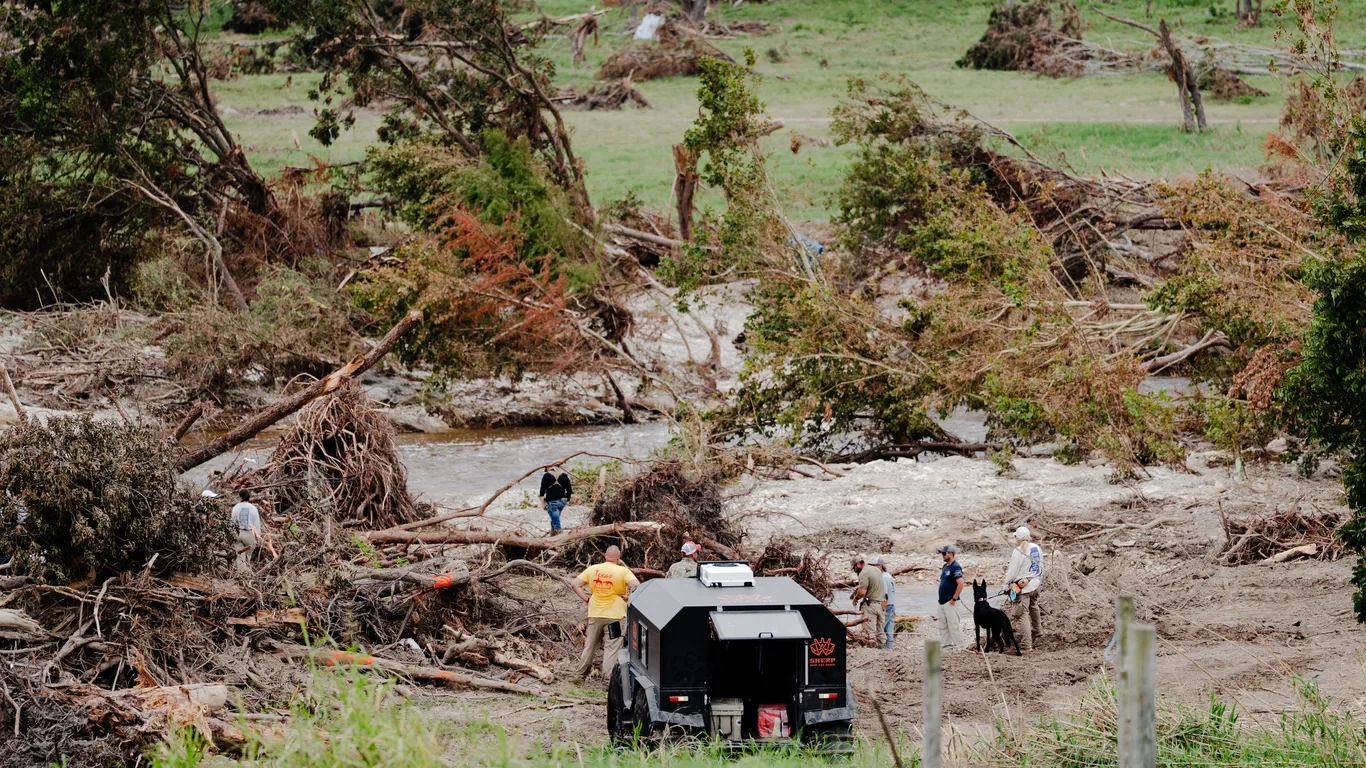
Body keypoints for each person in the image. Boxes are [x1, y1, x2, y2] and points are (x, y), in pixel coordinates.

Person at [572, 545, 639, 683]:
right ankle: (608, 681)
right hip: (616, 615)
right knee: (612, 648)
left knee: (590, 645)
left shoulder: (593, 569)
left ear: (605, 556)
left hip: (595, 613)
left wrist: (587, 599)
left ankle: (579, 676)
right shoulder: (623, 571)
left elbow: (575, 584)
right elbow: (636, 584)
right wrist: (628, 596)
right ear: (619, 557)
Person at [1002, 526, 1044, 652]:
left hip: (1023, 588)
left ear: (1017, 538)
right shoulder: (1036, 548)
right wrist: (1039, 581)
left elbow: (1012, 572)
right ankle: (1038, 632)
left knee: (1022, 614)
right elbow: (1041, 566)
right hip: (1035, 583)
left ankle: (1026, 645)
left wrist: (1006, 586)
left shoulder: (1018, 551)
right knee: (1033, 606)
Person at [231, 490, 275, 571]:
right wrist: (258, 538)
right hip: (249, 534)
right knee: (248, 557)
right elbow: (256, 525)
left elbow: (232, 522)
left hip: (238, 533)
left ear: (240, 497)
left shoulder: (236, 507)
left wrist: (231, 534)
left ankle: (241, 573)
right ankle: (247, 574)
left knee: (239, 557)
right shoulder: (253, 508)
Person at [936, 544, 968, 651]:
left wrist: (954, 599)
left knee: (953, 626)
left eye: (944, 553)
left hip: (950, 601)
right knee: (942, 625)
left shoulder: (956, 567)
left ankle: (960, 647)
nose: (943, 556)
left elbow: (961, 583)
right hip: (941, 601)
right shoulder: (945, 566)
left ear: (951, 554)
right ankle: (947, 646)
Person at [851, 555, 886, 648]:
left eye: (854, 568)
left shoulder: (863, 573)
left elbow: (862, 592)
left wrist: (855, 599)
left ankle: (871, 653)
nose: (854, 570)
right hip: (880, 605)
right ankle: (883, 652)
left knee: (869, 633)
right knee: (880, 632)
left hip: (870, 606)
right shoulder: (876, 570)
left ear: (858, 564)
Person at [538, 465, 573, 534]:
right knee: (554, 519)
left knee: (556, 523)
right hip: (562, 502)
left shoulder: (546, 476)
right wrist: (566, 499)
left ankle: (560, 535)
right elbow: (569, 490)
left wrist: (543, 504)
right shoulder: (564, 475)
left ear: (548, 468)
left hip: (552, 502)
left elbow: (542, 492)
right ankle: (553, 535)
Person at [875, 556, 896, 650]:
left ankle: (880, 648)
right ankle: (890, 648)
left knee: (880, 628)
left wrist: (883, 607)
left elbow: (885, 594)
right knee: (889, 629)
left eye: (874, 566)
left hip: (886, 605)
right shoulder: (889, 576)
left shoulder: (883, 577)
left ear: (880, 566)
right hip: (892, 604)